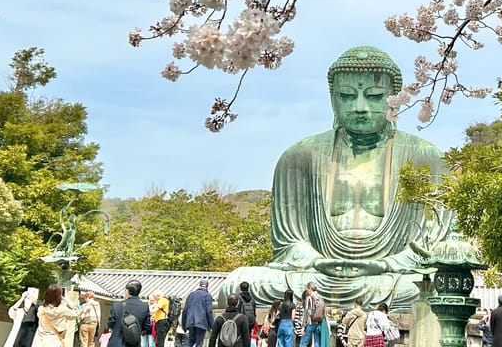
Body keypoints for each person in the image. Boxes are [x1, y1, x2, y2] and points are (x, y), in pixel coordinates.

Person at [222, 47, 455, 311]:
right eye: (346, 96)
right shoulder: (300, 156)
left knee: (434, 284)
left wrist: (385, 264)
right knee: (240, 282)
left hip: (390, 275)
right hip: (316, 272)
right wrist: (316, 261)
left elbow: (431, 246)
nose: (359, 108)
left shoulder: (427, 158)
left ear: (395, 101)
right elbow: (288, 244)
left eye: (375, 96)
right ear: (333, 100)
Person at [108, 280, 151, 347]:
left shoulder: (117, 305)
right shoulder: (144, 307)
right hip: (134, 343)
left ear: (127, 291)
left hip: (116, 342)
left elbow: (111, 324)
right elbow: (147, 327)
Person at [182, 280, 214, 347]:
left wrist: (184, 324)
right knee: (199, 343)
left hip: (190, 321)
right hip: (201, 322)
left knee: (190, 341)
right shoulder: (207, 296)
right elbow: (209, 311)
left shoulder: (191, 295)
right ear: (207, 287)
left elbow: (185, 310)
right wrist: (212, 325)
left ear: (199, 285)